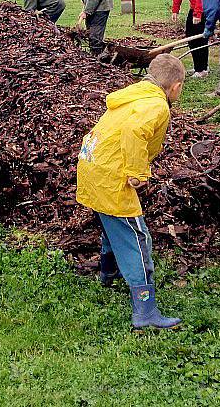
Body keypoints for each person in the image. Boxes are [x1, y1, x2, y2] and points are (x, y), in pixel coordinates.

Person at [76, 53, 185, 330]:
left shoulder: (134, 94)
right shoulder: (157, 105)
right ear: (176, 87)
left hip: (91, 165)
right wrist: (138, 173)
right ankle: (145, 311)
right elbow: (135, 132)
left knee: (112, 224)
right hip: (111, 176)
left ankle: (107, 273)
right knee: (137, 237)